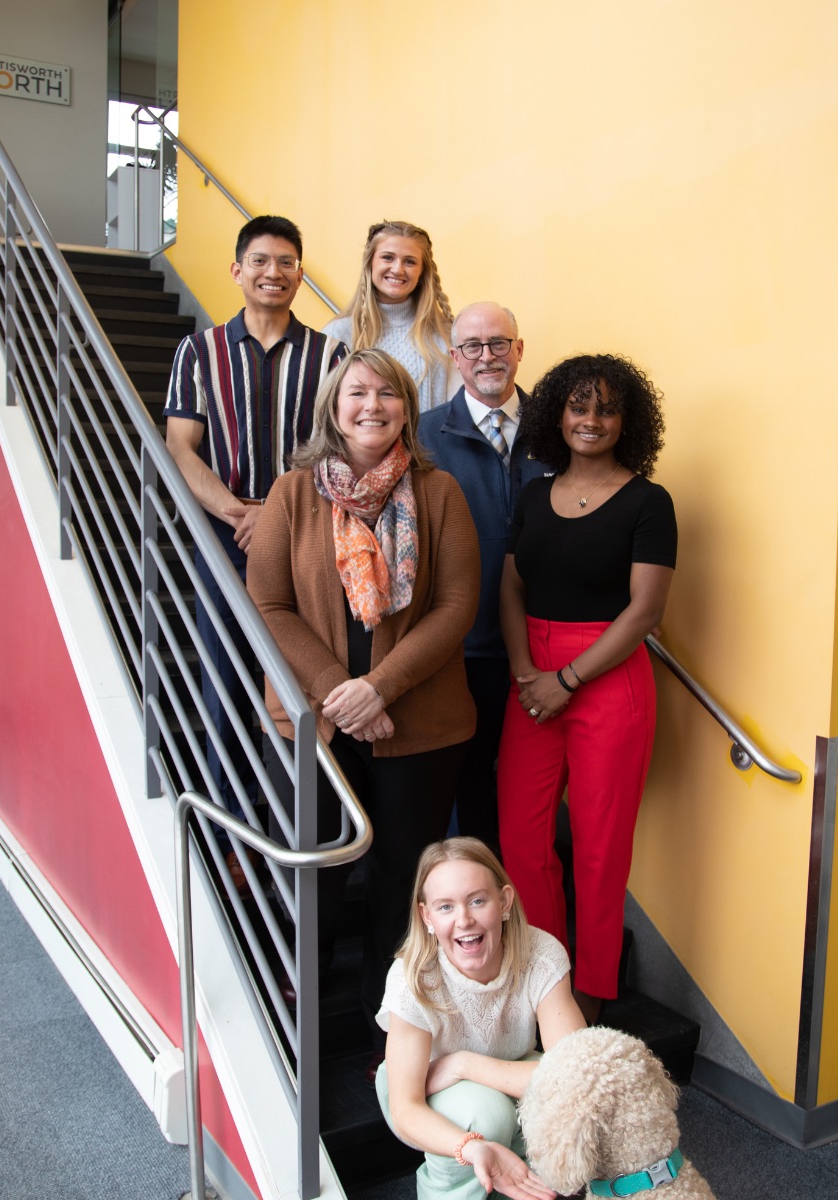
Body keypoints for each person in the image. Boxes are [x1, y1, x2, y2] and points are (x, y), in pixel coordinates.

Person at [246, 348, 480, 1068]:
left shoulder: (439, 493)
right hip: (315, 728)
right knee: (310, 874)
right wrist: (340, 694)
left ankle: (400, 1040)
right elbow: (270, 604)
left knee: (401, 884)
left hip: (420, 726)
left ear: (407, 407)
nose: (371, 404)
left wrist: (380, 687)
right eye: (356, 392)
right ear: (332, 407)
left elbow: (456, 606)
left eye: (387, 392)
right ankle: (297, 1034)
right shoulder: (291, 493)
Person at [163, 215, 347, 889]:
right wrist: (240, 511)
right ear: (237, 270)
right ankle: (223, 838)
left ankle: (283, 838)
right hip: (227, 534)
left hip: (304, 535)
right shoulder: (200, 350)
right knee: (227, 678)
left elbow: (339, 446)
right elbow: (181, 446)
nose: (275, 272)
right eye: (262, 261)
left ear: (301, 272)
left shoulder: (329, 357)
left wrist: (276, 511)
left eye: (288, 262)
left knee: (298, 687)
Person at [497, 353, 677, 1026]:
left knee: (602, 848)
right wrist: (526, 671)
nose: (591, 419)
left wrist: (567, 679)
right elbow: (511, 586)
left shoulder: (648, 502)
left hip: (607, 675)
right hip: (532, 676)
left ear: (626, 421)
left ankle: (595, 989)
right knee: (520, 837)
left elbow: (644, 612)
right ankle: (549, 975)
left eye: (605, 408)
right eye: (578, 406)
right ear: (556, 415)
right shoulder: (533, 495)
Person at [376, 836, 585, 1200]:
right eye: (445, 907)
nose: (464, 920)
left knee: (566, 1107)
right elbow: (406, 1107)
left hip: (496, 1066)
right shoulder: (411, 978)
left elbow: (576, 1075)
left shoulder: (542, 955)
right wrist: (469, 1147)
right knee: (488, 1117)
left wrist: (463, 1064)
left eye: (477, 900)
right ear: (426, 916)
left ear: (503, 902)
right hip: (424, 1084)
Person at [419, 303, 555, 853]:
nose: (486, 357)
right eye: (472, 346)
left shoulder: (558, 431)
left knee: (533, 792)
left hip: (545, 649)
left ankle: (523, 900)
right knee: (466, 789)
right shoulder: (423, 435)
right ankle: (472, 909)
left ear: (519, 349)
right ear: (454, 357)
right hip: (460, 650)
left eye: (499, 343)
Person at [322, 221, 457, 412]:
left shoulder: (445, 334)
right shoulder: (339, 333)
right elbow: (325, 413)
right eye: (387, 257)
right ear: (370, 263)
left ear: (422, 272)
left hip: (429, 443)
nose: (398, 269)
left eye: (410, 261)